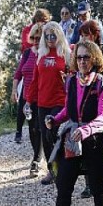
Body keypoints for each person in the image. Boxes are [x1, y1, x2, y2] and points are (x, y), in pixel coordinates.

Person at [36, 41, 103, 206]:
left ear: (95, 59)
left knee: (97, 186)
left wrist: (86, 130)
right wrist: (55, 119)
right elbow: (70, 112)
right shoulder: (71, 81)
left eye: (86, 57)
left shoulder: (100, 83)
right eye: (79, 57)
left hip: (94, 141)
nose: (82, 61)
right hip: (72, 141)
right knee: (64, 184)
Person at [76, 21, 103, 198]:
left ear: (94, 35)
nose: (83, 38)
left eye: (86, 34)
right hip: (85, 108)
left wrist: (99, 77)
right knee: (85, 146)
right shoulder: (79, 54)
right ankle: (89, 185)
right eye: (81, 35)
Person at [26, 21, 71, 185]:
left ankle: (62, 166)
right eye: (47, 36)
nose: (50, 38)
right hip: (42, 102)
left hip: (59, 100)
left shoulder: (66, 54)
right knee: (44, 139)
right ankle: (53, 170)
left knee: (51, 133)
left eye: (53, 35)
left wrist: (67, 79)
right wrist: (28, 101)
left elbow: (73, 77)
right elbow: (35, 80)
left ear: (59, 36)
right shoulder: (41, 54)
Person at [12, 24, 43, 176]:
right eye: (33, 38)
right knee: (31, 129)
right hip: (26, 97)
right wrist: (14, 91)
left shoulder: (44, 54)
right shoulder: (26, 54)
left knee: (39, 128)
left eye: (39, 38)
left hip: (42, 97)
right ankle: (36, 155)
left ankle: (37, 159)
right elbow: (18, 73)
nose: (36, 41)